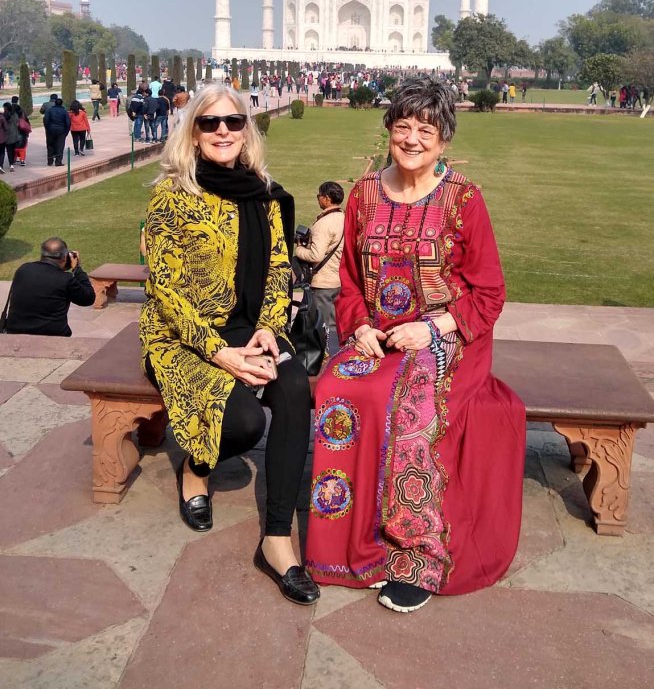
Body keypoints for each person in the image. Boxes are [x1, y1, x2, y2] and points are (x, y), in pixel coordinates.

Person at [305, 78, 525, 613]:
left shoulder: (464, 200)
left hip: (448, 338)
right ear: (388, 129)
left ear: (443, 140)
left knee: (411, 405)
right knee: (337, 387)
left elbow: (489, 292)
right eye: (403, 126)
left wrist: (431, 329)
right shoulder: (362, 194)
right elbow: (351, 282)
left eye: (426, 129)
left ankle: (416, 553)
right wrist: (358, 326)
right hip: (379, 335)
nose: (412, 139)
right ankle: (341, 546)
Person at [139, 84, 319, 605]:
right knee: (242, 424)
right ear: (193, 133)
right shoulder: (174, 194)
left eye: (233, 122)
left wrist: (267, 326)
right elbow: (165, 290)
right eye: (210, 123)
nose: (223, 131)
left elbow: (279, 267)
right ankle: (196, 469)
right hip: (183, 334)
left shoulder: (262, 191)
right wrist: (220, 353)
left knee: (293, 394)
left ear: (247, 130)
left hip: (248, 328)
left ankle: (278, 539)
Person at [5, 237, 95, 335]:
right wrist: (77, 269)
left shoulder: (23, 270)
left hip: (15, 333)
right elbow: (88, 298)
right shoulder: (65, 279)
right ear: (65, 257)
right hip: (51, 337)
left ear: (42, 254)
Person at [293, 181, 345, 333]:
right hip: (337, 278)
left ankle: (325, 355)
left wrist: (299, 249)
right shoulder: (343, 217)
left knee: (322, 326)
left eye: (319, 196)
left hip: (323, 282)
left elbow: (316, 255)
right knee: (334, 322)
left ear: (327, 198)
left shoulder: (324, 224)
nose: (318, 199)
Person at [43, 97, 71, 166]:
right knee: (60, 146)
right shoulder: (64, 111)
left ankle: (50, 161)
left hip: (50, 130)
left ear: (55, 103)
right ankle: (58, 162)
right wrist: (66, 132)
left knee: (50, 145)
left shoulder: (49, 110)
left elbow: (46, 120)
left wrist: (47, 128)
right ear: (62, 104)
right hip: (61, 131)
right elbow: (68, 123)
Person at [2, 102, 19, 172]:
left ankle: (10, 164)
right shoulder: (15, 114)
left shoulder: (4, 115)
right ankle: (12, 163)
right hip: (14, 135)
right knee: (12, 150)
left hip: (7, 136)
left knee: (8, 151)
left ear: (6, 108)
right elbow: (17, 123)